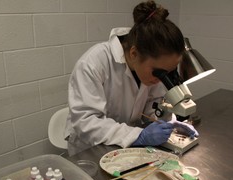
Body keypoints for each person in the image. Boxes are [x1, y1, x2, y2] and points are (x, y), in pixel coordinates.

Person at [64, 0, 198, 156]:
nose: (162, 80)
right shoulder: (93, 64)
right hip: (90, 151)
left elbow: (151, 108)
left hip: (126, 150)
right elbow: (86, 123)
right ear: (134, 53)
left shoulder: (151, 67)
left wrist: (168, 123)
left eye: (168, 73)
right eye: (159, 73)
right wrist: (139, 136)